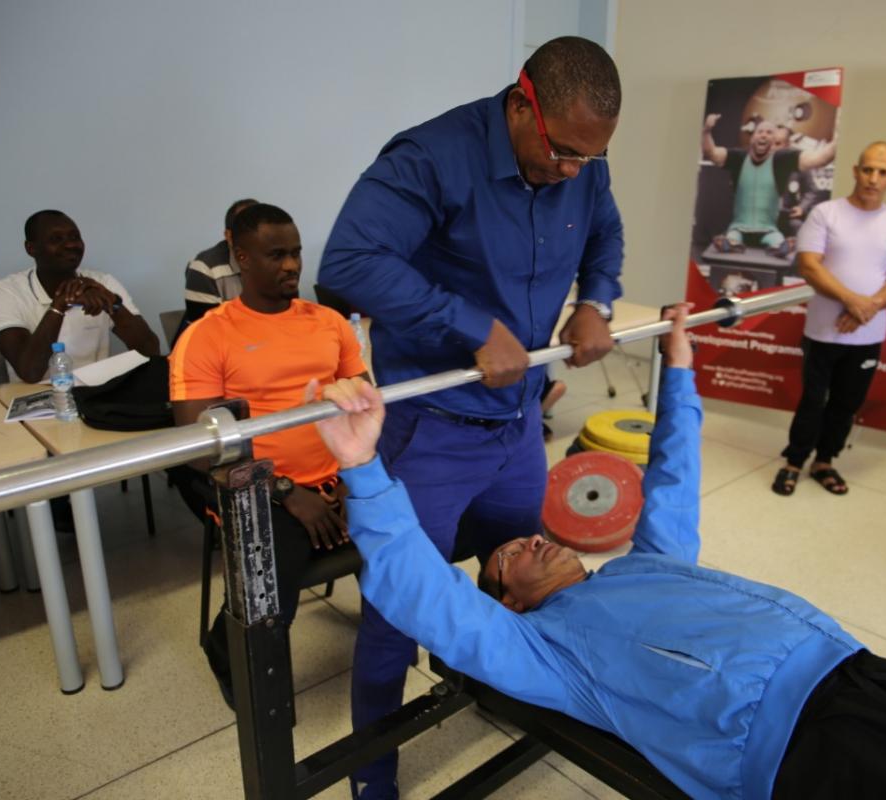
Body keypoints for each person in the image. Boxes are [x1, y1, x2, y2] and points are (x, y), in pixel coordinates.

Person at [313, 305, 886, 800]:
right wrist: (362, 467)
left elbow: (674, 480)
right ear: (509, 602)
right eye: (504, 561)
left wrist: (678, 370)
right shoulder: (544, 653)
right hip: (808, 747)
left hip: (862, 669)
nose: (521, 540)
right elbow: (426, 598)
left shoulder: (650, 564)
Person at [317, 35, 622, 798]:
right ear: (522, 104)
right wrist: (467, 324)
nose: (572, 171)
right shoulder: (430, 156)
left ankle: (494, 688)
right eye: (562, 153)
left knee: (516, 571)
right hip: (433, 428)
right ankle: (372, 779)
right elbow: (347, 264)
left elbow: (605, 233)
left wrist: (597, 300)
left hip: (517, 426)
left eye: (589, 158)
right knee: (399, 605)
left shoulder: (580, 156)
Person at [168, 203, 368, 707]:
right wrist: (284, 491)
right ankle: (231, 656)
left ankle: (390, 640)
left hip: (338, 475)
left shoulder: (328, 322)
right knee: (272, 573)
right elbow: (196, 446)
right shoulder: (207, 335)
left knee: (410, 527)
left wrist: (352, 476)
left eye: (296, 252)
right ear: (241, 259)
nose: (291, 266)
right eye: (275, 254)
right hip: (257, 489)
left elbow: (363, 407)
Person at [772, 142, 886, 497]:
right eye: (867, 169)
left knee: (847, 403)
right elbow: (809, 265)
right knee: (813, 399)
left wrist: (870, 306)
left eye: (882, 172)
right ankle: (794, 461)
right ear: (855, 170)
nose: (873, 178)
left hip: (868, 333)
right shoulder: (825, 214)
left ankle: (825, 461)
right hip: (823, 330)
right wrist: (853, 301)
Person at [0, 210, 159, 383]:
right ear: (31, 248)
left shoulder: (102, 282)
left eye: (75, 237)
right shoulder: (3, 292)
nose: (70, 245)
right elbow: (30, 372)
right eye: (56, 239)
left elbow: (150, 351)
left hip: (98, 396)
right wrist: (59, 305)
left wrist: (113, 304)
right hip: (39, 401)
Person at [702, 114, 836, 258]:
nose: (764, 135)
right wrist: (707, 131)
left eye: (769, 133)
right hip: (738, 228)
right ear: (752, 137)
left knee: (777, 242)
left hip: (769, 231)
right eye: (760, 132)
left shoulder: (782, 160)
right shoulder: (738, 157)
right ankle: (730, 243)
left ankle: (780, 247)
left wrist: (838, 138)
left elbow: (820, 159)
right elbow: (711, 153)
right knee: (732, 237)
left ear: (774, 141)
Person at [176, 197, 259, 344]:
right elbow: (206, 338)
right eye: (248, 230)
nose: (258, 237)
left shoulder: (278, 263)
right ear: (229, 236)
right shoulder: (205, 268)